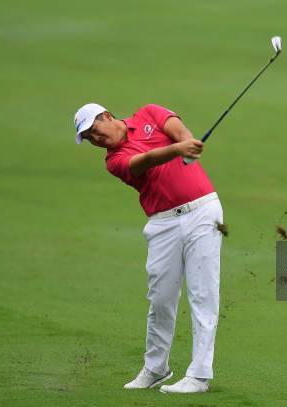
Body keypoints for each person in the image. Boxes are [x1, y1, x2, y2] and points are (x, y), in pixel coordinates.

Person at [73, 102, 223, 394]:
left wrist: (187, 143)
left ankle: (199, 375)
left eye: (94, 130)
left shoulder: (149, 113)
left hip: (203, 211)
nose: (95, 139)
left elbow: (179, 131)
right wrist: (178, 150)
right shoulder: (113, 161)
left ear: (107, 116)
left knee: (203, 293)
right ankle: (156, 368)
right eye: (89, 138)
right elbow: (145, 161)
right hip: (163, 224)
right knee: (160, 298)